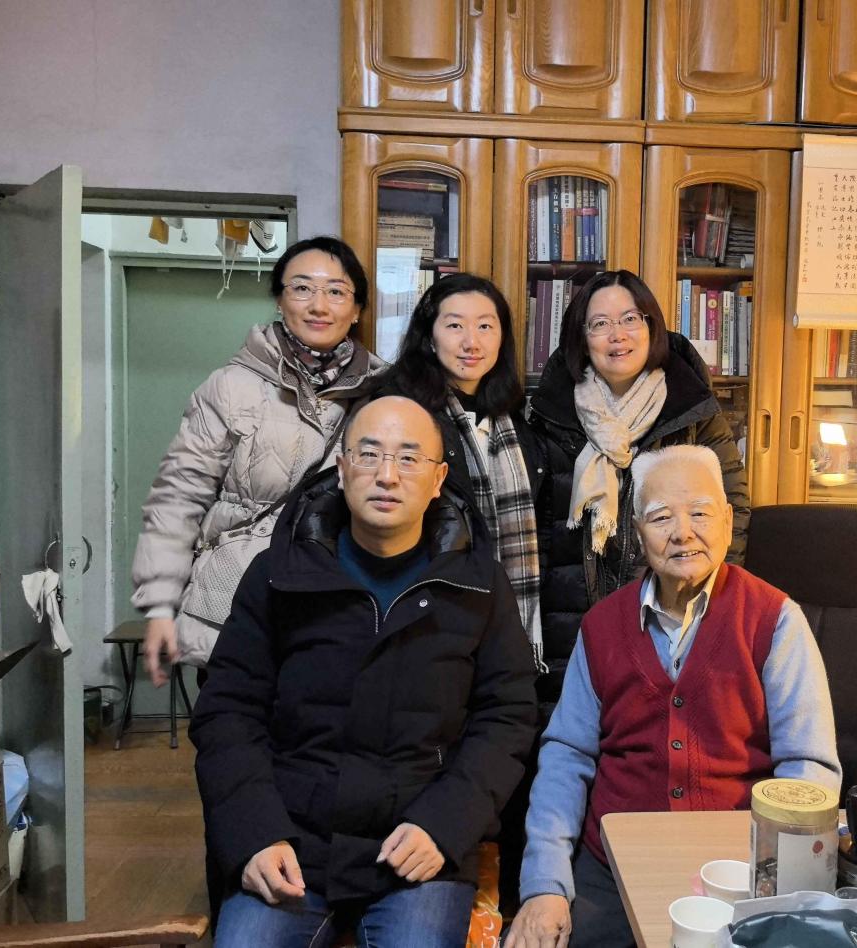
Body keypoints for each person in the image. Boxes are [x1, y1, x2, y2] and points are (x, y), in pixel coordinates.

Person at [190, 396, 538, 947]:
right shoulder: (278, 574)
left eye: (409, 459)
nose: (387, 475)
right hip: (291, 839)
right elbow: (227, 712)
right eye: (369, 454)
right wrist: (255, 832)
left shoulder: (478, 583)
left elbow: (508, 717)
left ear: (438, 479)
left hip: (417, 845)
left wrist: (445, 824)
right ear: (342, 467)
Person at [505, 445, 841, 948]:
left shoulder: (774, 620)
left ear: (727, 521)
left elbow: (808, 769)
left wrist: (772, 885)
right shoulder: (601, 627)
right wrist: (544, 885)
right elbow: (566, 757)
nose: (683, 532)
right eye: (662, 517)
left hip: (737, 869)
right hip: (612, 868)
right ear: (637, 532)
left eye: (700, 513)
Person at [132, 235, 385, 686]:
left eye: (336, 291)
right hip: (237, 608)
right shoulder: (231, 387)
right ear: (279, 300)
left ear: (356, 310)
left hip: (335, 610)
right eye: (302, 288)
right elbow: (178, 496)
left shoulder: (380, 395)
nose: (318, 305)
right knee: (233, 727)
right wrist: (159, 605)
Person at [529, 269, 749, 704]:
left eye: (631, 319)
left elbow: (732, 514)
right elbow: (538, 528)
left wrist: (707, 607)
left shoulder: (693, 412)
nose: (618, 335)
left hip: (672, 616)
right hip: (570, 620)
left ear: (652, 327)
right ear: (582, 339)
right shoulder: (551, 415)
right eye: (600, 323)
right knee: (575, 732)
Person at [372, 273, 547, 671]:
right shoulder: (400, 412)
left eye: (485, 326)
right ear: (429, 337)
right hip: (424, 615)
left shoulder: (516, 421)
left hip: (506, 622)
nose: (472, 342)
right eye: (455, 326)